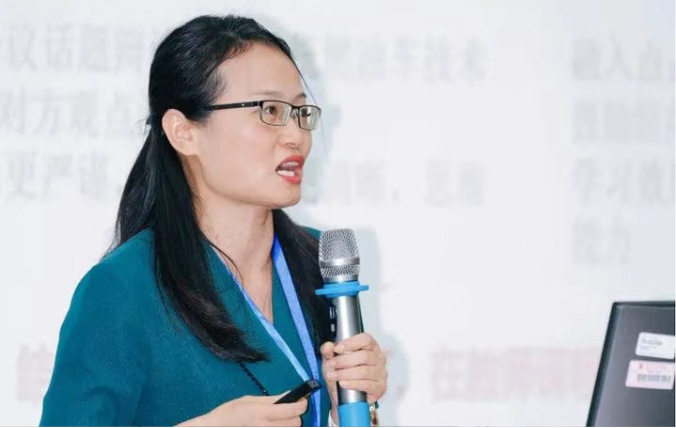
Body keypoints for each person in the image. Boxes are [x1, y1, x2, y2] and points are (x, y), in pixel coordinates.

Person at [40, 14, 387, 427]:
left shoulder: (318, 262)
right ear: (183, 132)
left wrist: (357, 407)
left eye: (300, 111)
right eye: (270, 110)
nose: (296, 134)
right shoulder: (122, 287)